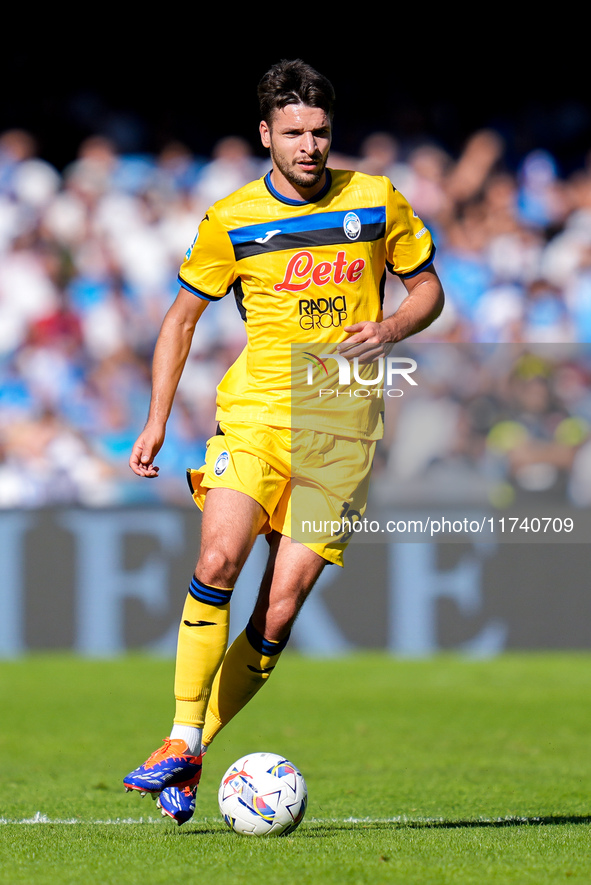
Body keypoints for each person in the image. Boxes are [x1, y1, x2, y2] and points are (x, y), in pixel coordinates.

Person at [123, 59, 444, 825]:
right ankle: (178, 733)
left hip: (342, 434)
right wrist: (156, 418)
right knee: (216, 560)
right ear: (265, 134)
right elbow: (180, 320)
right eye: (294, 133)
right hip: (259, 417)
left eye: (321, 131)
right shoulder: (231, 218)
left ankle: (191, 750)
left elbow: (428, 286)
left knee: (275, 613)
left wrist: (393, 325)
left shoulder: (373, 201)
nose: (309, 146)